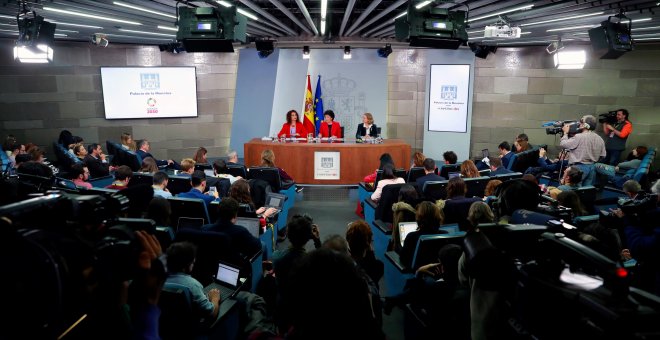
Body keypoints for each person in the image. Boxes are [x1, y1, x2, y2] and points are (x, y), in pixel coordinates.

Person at [164, 242, 221, 325]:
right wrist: (215, 298)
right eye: (192, 262)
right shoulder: (192, 285)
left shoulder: (159, 279)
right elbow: (211, 313)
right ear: (186, 266)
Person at [559, 115, 606, 186]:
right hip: (592, 168)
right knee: (585, 191)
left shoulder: (579, 136)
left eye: (581, 121)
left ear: (585, 125)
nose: (579, 123)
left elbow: (563, 144)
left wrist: (565, 133)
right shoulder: (600, 139)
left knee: (574, 189)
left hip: (578, 168)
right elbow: (603, 155)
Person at [400, 201, 447, 269]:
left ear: (418, 218)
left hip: (418, 274)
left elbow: (403, 259)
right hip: (439, 272)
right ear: (438, 217)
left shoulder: (411, 236)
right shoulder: (445, 235)